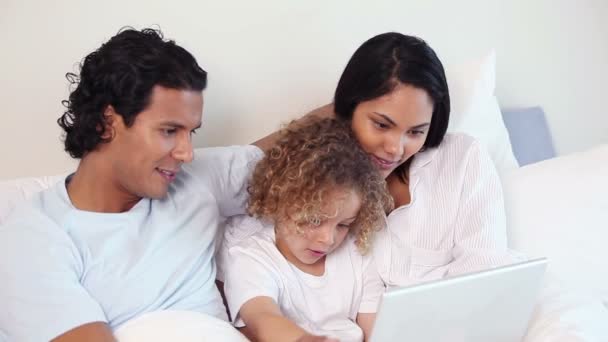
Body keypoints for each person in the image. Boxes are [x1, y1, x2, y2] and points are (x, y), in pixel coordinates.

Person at [0, 28, 263, 341]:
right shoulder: (32, 240)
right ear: (106, 122)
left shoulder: (193, 182)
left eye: (190, 133)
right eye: (169, 130)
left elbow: (304, 147)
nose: (187, 153)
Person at [254, 32, 515, 291]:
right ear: (349, 108)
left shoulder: (462, 158)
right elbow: (238, 168)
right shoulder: (312, 173)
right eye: (381, 124)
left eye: (415, 132)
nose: (394, 149)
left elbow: (486, 271)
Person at [222, 118, 393, 342]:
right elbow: (262, 318)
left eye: (343, 225)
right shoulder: (252, 258)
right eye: (313, 220)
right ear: (278, 201)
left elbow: (376, 328)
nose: (328, 239)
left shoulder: (356, 252)